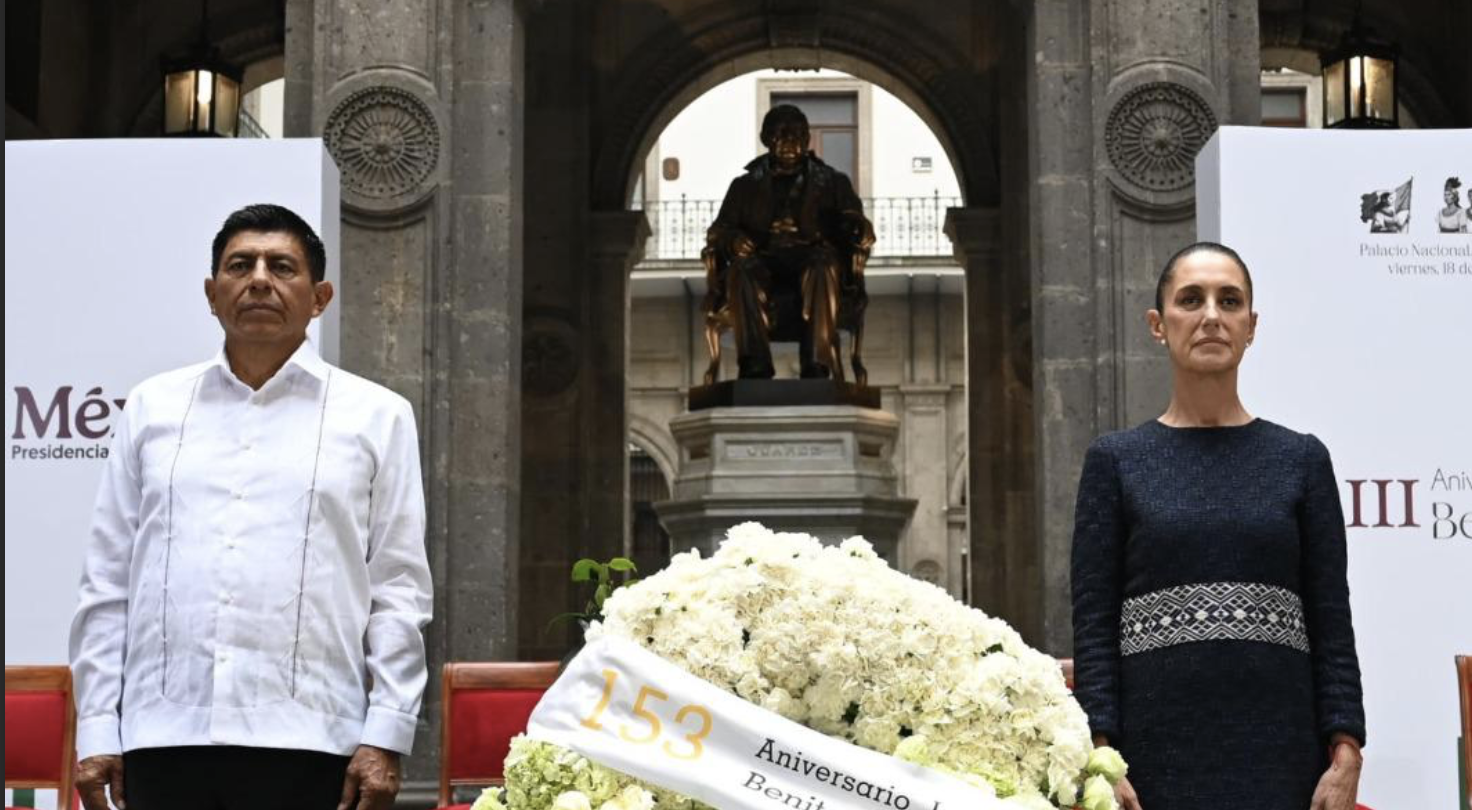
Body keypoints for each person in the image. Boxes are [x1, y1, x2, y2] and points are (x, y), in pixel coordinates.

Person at [69, 204, 433, 810]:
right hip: (163, 740)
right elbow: (108, 584)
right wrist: (99, 727)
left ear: (319, 298)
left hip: (317, 743)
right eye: (241, 265)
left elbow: (397, 587)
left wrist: (386, 733)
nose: (259, 278)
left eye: (281, 266)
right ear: (213, 294)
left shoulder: (378, 415)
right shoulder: (152, 408)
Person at [1070, 243, 1366, 810]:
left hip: (1286, 766)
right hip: (1152, 766)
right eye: (1191, 299)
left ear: (1250, 326)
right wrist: (1100, 754)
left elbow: (1331, 621)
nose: (1211, 315)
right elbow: (1095, 625)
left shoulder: (1300, 460)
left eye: (1229, 301)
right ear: (1159, 325)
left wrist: (1347, 748)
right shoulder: (1116, 462)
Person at [704, 104, 875, 380]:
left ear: (807, 139)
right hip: (763, 257)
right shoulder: (744, 186)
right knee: (741, 270)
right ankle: (755, 365)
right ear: (766, 139)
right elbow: (718, 231)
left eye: (796, 133)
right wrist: (733, 239)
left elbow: (851, 217)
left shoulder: (832, 181)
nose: (789, 140)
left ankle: (818, 364)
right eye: (781, 133)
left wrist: (857, 227)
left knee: (823, 265)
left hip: (812, 254)